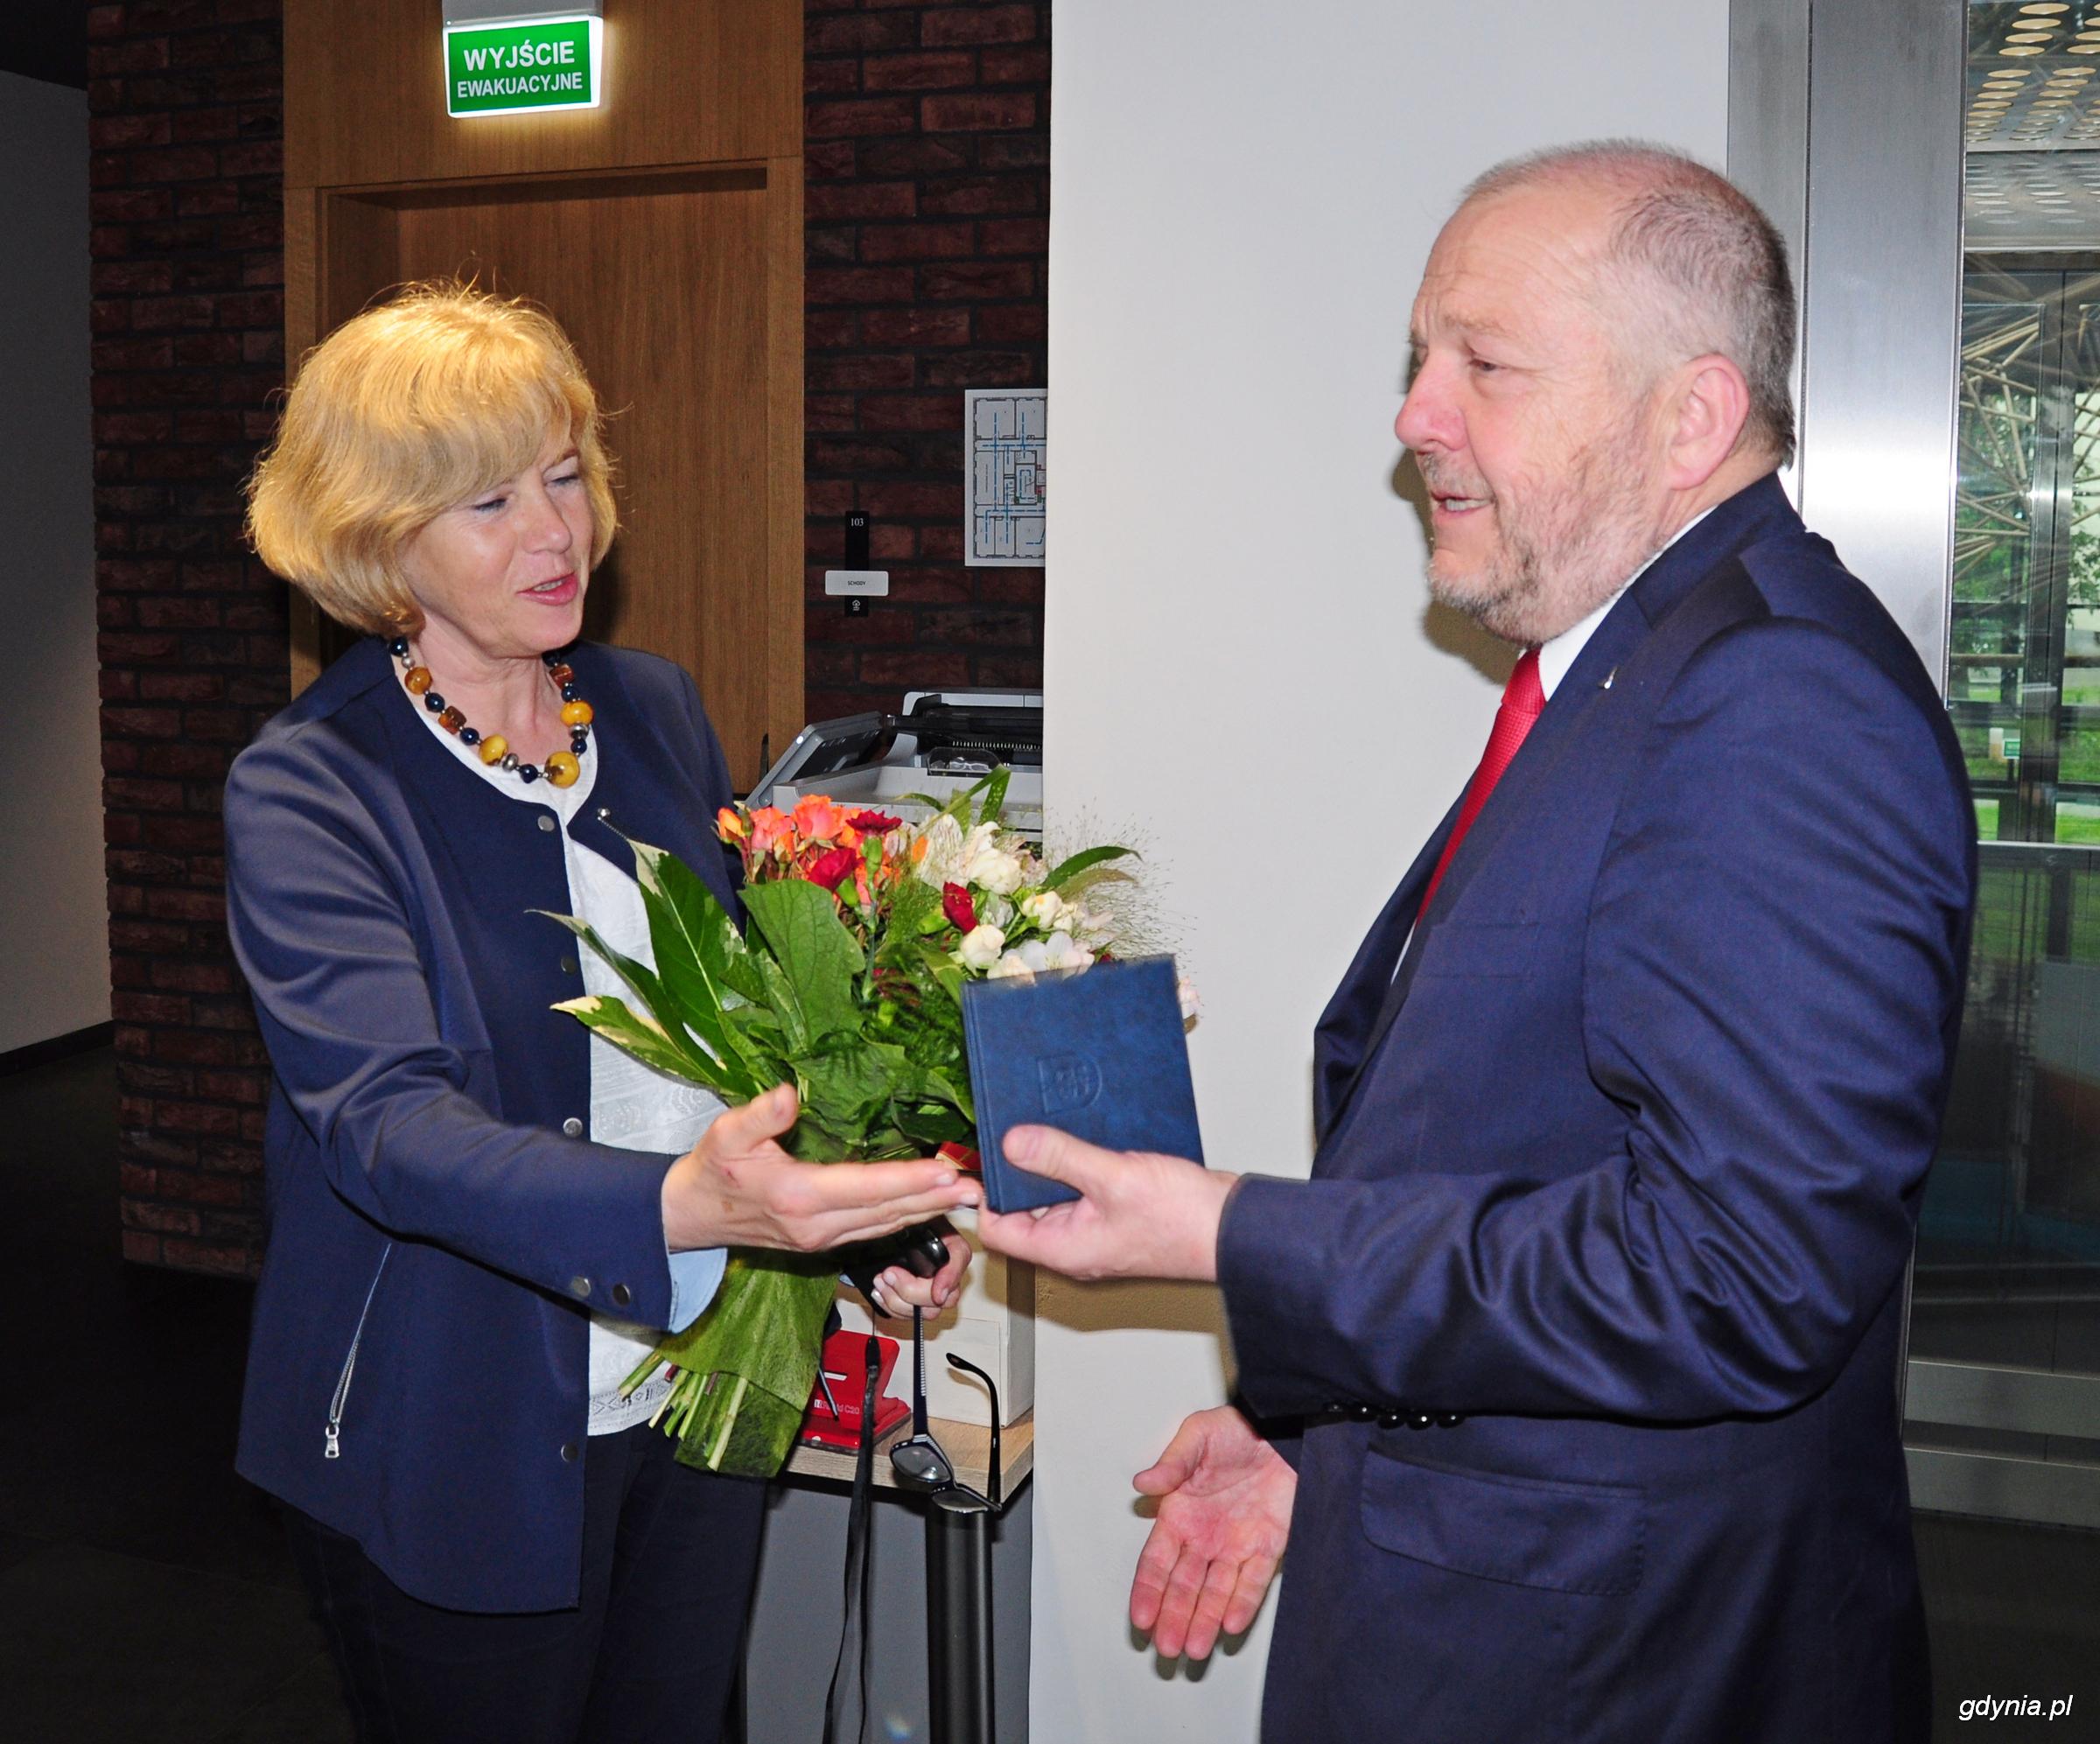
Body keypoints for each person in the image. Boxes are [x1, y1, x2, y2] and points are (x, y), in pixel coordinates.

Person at [978, 142, 1975, 1741]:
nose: (1416, 417)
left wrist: (1233, 1230)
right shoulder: (1631, 667)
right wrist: (1308, 1429)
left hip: (1621, 1668)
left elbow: (1739, 1270)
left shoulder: (1774, 700)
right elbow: (1524, 1138)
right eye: (1420, 362)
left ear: (1691, 417)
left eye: (1486, 367)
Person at [228, 282, 977, 1744]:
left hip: (699, 1398)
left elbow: (746, 1045)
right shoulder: (313, 788)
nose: (555, 531)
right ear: (382, 538)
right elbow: (386, 1127)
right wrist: (692, 1208)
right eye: (490, 501)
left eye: (565, 475)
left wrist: (865, 1231)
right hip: (456, 1425)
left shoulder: (648, 710)